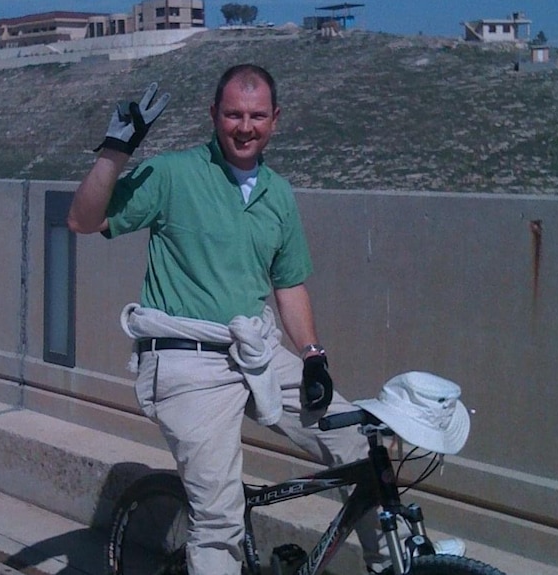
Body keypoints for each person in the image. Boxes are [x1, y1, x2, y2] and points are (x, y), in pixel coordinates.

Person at [68, 64, 463, 574]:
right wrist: (115, 151)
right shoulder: (173, 173)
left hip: (255, 350)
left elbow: (288, 284)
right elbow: (83, 219)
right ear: (214, 115)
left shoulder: (278, 193)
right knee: (219, 519)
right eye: (233, 114)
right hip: (186, 361)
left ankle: (394, 567)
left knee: (359, 441)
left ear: (275, 120)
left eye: (257, 116)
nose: (245, 127)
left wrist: (313, 357)